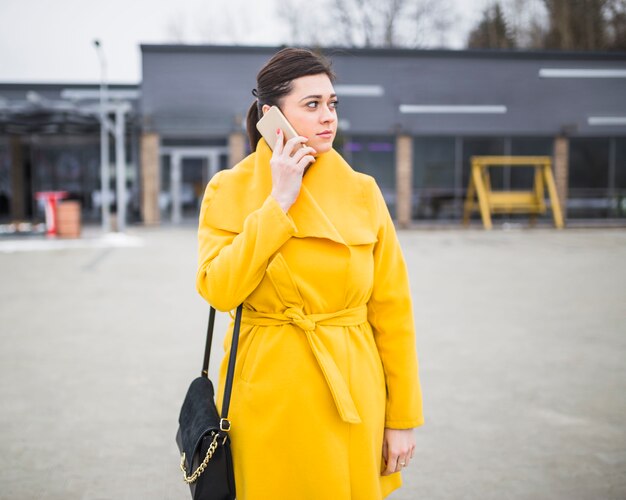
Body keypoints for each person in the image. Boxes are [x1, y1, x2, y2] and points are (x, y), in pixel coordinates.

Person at [196, 47, 423, 500]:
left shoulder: (363, 192)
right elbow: (219, 290)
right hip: (266, 396)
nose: (328, 117)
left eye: (332, 103)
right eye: (312, 104)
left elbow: (393, 313)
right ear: (270, 114)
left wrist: (401, 419)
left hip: (352, 397)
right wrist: (276, 202)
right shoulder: (230, 189)